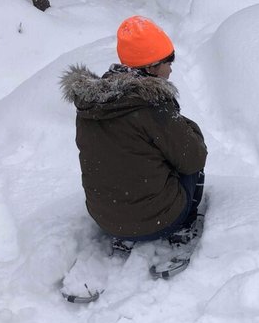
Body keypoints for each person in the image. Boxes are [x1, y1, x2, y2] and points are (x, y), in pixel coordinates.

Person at [61, 16, 208, 254]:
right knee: (191, 159)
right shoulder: (153, 106)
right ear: (150, 67)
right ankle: (183, 224)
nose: (171, 67)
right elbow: (193, 157)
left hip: (105, 219)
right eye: (168, 60)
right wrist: (187, 127)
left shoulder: (91, 106)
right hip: (158, 221)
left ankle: (128, 227)